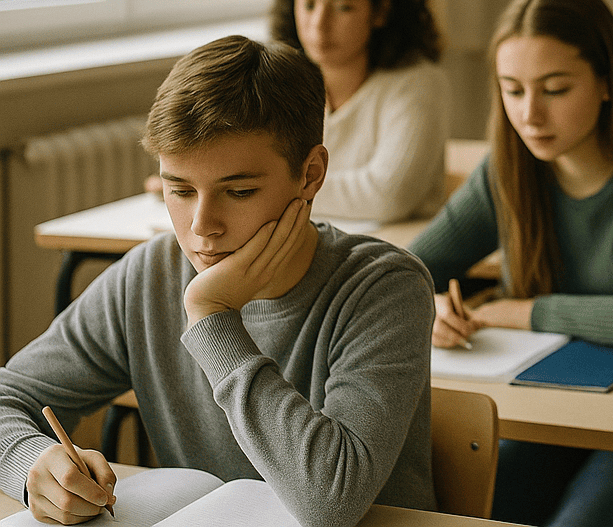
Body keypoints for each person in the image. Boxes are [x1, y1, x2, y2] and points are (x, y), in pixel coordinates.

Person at [0, 35, 436, 527]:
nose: (202, 225)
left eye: (240, 190)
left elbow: (330, 503)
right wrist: (30, 463)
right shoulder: (147, 277)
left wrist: (212, 317)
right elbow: (7, 395)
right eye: (179, 190)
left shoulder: (384, 287)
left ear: (311, 174)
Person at [410, 0, 613, 526]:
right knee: (466, 509)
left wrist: (525, 311)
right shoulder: (506, 171)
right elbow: (404, 273)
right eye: (512, 90)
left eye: (554, 89)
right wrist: (429, 304)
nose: (530, 113)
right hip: (549, 418)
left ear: (607, 82)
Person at [269, 0, 450, 224]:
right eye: (308, 4)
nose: (319, 24)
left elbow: (388, 195)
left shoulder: (418, 83)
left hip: (395, 257)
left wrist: (270, 191)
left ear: (381, 11)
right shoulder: (281, 80)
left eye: (343, 6)